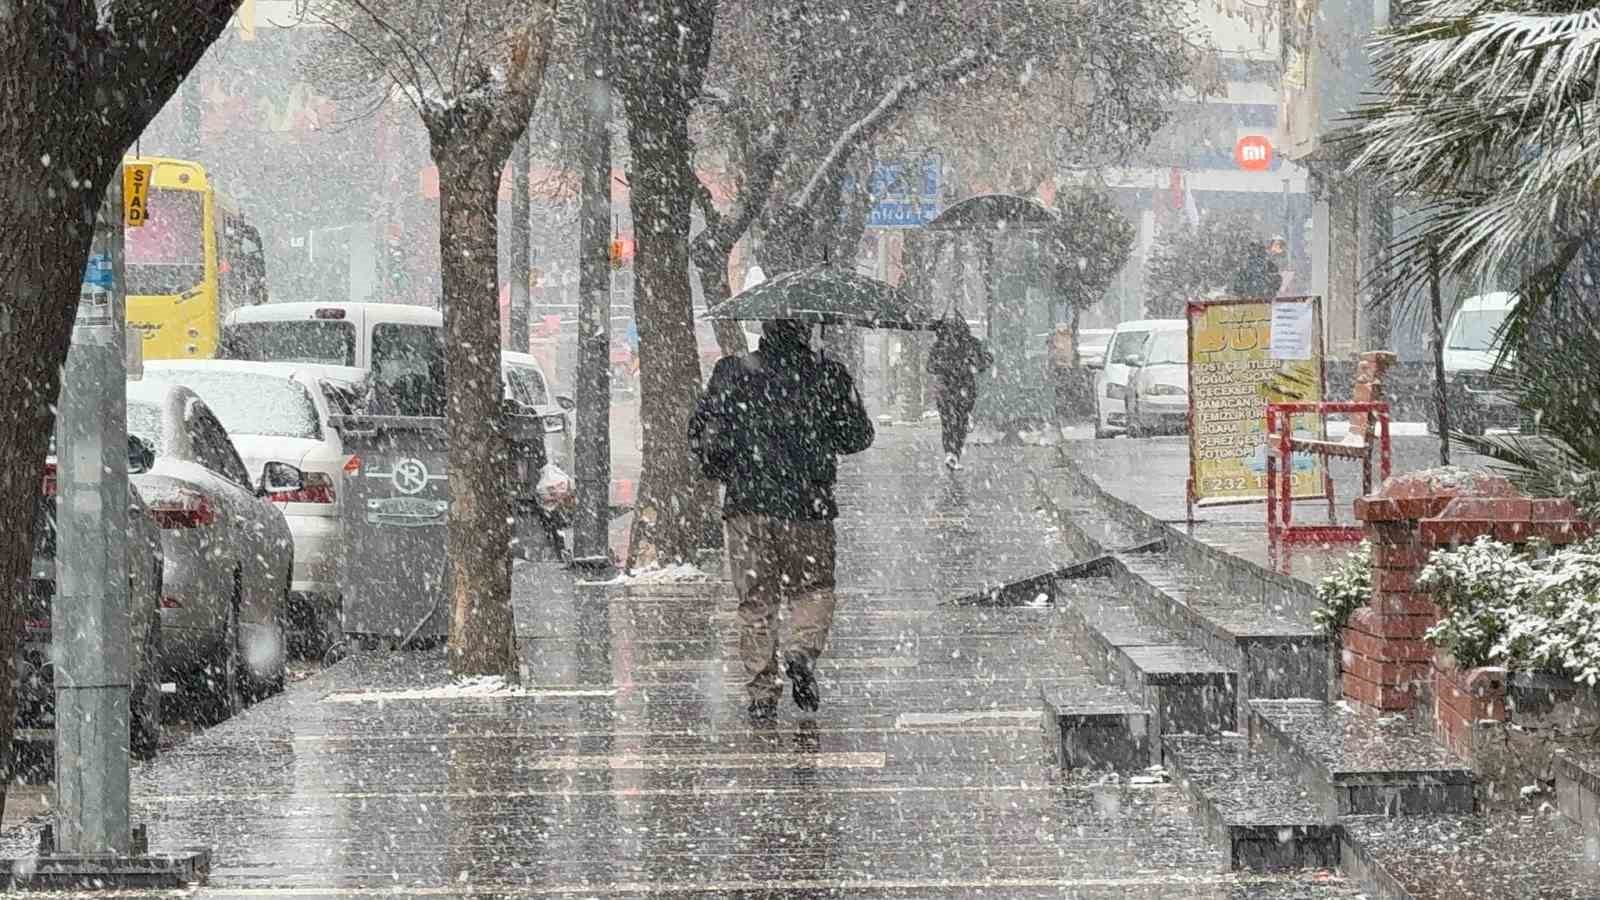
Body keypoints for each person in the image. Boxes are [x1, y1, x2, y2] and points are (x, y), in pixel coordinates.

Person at [688, 319, 875, 721]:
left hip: (748, 506)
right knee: (814, 588)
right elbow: (858, 436)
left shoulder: (731, 371)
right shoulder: (827, 373)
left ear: (764, 330)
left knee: (756, 600)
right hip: (808, 507)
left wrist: (728, 467)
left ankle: (761, 692)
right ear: (805, 332)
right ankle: (801, 652)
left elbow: (702, 434)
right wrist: (829, 405)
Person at [926, 317, 992, 470]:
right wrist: (975, 363)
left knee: (948, 423)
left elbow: (930, 367)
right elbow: (981, 365)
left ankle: (951, 453)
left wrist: (945, 366)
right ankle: (955, 452)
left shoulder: (940, 345)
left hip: (945, 389)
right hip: (965, 389)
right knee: (960, 423)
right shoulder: (971, 343)